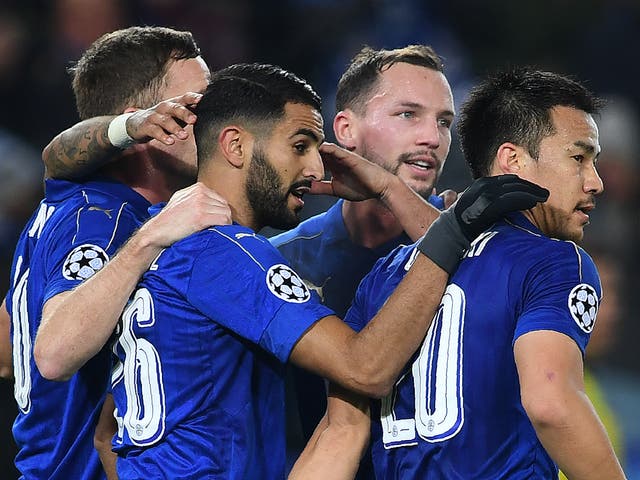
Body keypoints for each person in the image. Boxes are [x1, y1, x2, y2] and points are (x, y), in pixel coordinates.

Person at [107, 62, 547, 479]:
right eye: (299, 146)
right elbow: (365, 368)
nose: (316, 168)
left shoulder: (160, 236)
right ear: (236, 145)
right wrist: (452, 231)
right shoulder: (231, 254)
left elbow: (106, 429)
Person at [338, 67, 627, 479]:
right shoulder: (556, 261)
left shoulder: (384, 275)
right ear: (513, 160)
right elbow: (550, 403)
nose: (595, 181)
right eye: (578, 158)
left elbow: (338, 436)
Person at [4, 26, 231, 480]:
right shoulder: (105, 222)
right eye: (196, 107)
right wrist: (149, 241)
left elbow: (8, 351)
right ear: (147, 124)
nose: (215, 121)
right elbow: (53, 353)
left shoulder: (69, 201)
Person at [268, 45, 456, 469]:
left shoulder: (482, 246)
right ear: (346, 130)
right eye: (408, 115)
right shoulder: (283, 262)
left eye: (444, 122)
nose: (432, 137)